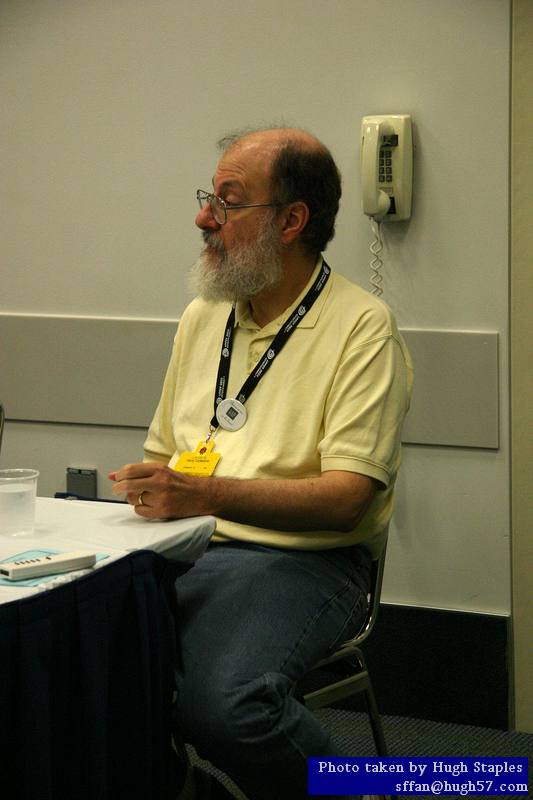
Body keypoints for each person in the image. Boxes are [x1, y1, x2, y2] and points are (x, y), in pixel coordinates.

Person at [109, 127, 413, 799]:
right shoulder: (202, 317)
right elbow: (164, 458)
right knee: (70, 667)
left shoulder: (362, 328)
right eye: (207, 198)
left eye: (227, 200)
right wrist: (153, 491)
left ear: (291, 221)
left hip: (304, 559)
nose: (202, 218)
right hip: (184, 546)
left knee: (225, 706)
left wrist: (204, 495)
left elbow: (345, 499)